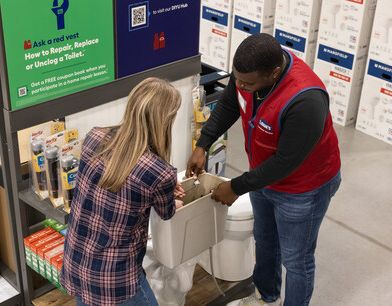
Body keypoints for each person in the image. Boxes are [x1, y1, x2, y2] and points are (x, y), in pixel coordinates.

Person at [186, 33, 341, 306]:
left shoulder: (306, 99)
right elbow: (229, 105)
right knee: (266, 242)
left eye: (247, 83)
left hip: (304, 188)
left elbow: (285, 163)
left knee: (296, 259)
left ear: (275, 73)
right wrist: (203, 144)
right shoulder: (247, 75)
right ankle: (266, 298)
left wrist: (236, 186)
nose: (241, 86)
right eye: (238, 79)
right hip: (263, 176)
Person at [60, 77, 185, 306]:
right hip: (114, 276)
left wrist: (162, 190)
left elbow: (114, 187)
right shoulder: (159, 172)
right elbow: (166, 213)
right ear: (165, 121)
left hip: (76, 260)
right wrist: (171, 199)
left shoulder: (94, 136)